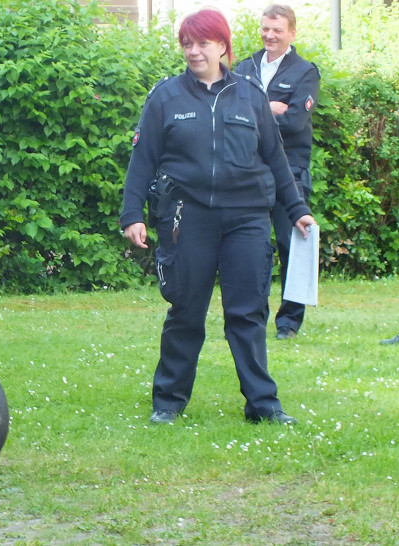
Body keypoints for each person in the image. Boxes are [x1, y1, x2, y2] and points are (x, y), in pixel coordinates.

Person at [120, 9, 315, 425]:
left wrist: (297, 208)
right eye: (187, 43)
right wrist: (131, 213)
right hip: (187, 217)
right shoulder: (166, 97)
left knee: (247, 313)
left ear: (222, 46)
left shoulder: (250, 94)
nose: (194, 51)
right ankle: (168, 402)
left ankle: (263, 404)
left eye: (202, 43)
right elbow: (143, 159)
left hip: (246, 218)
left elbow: (276, 159)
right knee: (186, 311)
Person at [234, 4, 320, 340]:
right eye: (265, 28)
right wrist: (269, 108)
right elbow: (230, 114)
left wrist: (255, 111)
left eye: (277, 30)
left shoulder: (305, 72)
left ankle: (288, 323)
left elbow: (296, 122)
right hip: (249, 171)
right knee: (252, 246)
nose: (270, 35)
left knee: (290, 244)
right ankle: (252, 315)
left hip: (291, 172)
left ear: (292, 33)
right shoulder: (244, 67)